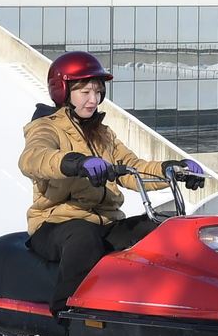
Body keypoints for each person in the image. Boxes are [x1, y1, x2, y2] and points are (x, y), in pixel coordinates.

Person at [18, 50, 204, 315]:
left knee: (165, 227)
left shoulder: (102, 134)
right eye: (85, 93)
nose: (94, 100)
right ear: (63, 91)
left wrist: (172, 169)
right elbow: (34, 158)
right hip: (54, 224)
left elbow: (132, 168)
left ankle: (171, 306)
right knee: (84, 239)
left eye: (98, 92)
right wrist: (75, 163)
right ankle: (66, 317)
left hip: (105, 223)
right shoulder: (46, 127)